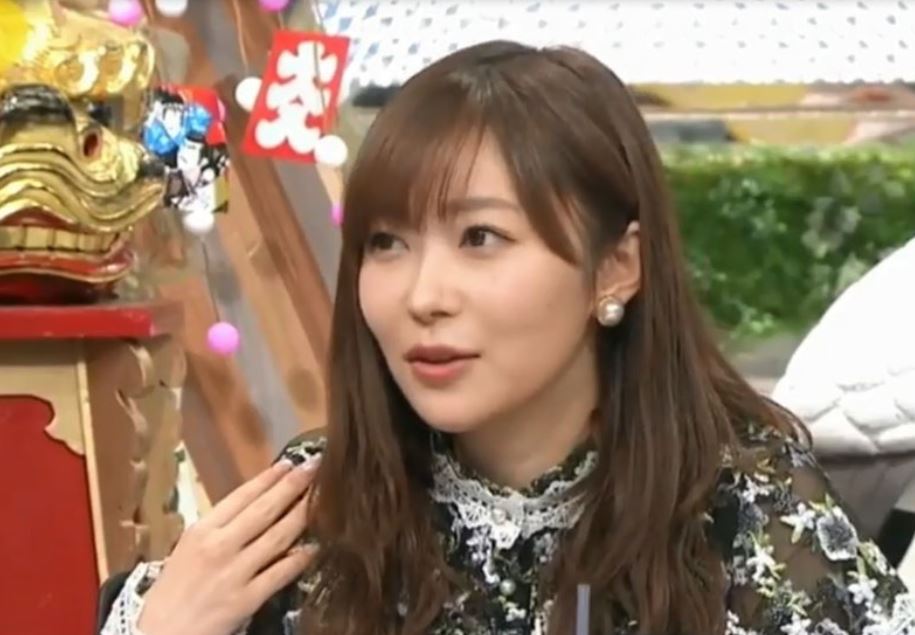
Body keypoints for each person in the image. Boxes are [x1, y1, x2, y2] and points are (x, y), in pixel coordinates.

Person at [99, 41, 914, 635]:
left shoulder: (746, 511)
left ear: (615, 267)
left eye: (480, 238)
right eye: (386, 242)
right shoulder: (317, 508)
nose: (423, 296)